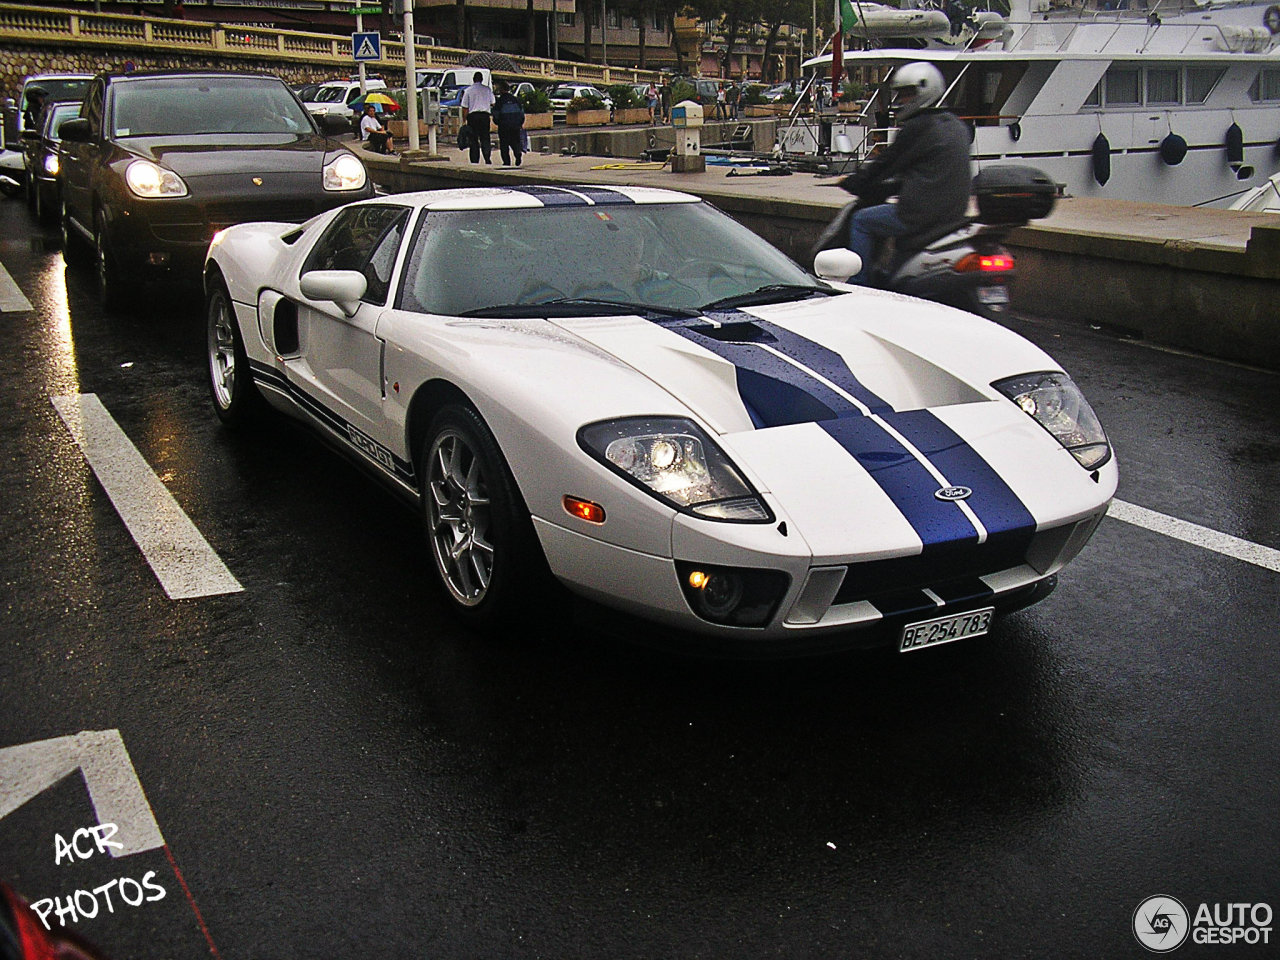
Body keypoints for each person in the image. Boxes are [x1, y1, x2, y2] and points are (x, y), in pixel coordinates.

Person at [839, 62, 971, 285]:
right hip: (953, 213)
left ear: (924, 91)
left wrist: (856, 182)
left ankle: (858, 283)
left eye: (907, 95)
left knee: (861, 220)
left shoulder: (919, 127)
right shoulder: (955, 125)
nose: (901, 101)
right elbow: (925, 170)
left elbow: (885, 165)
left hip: (920, 213)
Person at [459, 70, 494, 164]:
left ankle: (475, 160)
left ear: (473, 79)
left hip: (473, 117)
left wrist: (464, 120)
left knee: (473, 139)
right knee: (485, 138)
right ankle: (487, 157)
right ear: (482, 79)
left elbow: (465, 107)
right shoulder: (487, 90)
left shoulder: (468, 91)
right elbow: (493, 103)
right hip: (485, 116)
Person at [491, 79, 525, 167]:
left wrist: (497, 122)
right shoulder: (515, 100)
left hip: (504, 126)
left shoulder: (500, 101)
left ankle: (506, 162)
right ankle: (518, 154)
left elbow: (495, 114)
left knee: (504, 145)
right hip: (515, 126)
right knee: (515, 142)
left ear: (501, 90)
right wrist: (520, 123)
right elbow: (521, 113)